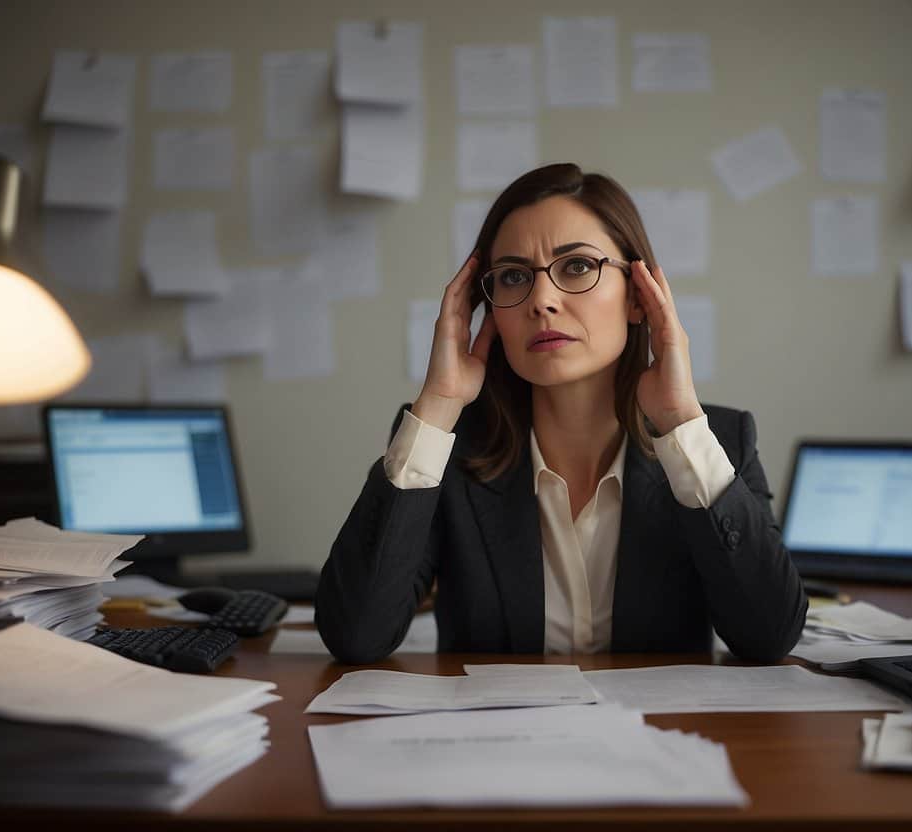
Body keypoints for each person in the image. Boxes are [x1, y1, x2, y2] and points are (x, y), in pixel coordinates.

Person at [316, 163, 807, 664]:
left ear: (639, 298)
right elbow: (356, 637)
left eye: (576, 266)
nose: (542, 301)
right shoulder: (448, 443)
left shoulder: (718, 440)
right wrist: (440, 402)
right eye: (513, 277)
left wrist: (681, 419)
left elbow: (768, 637)